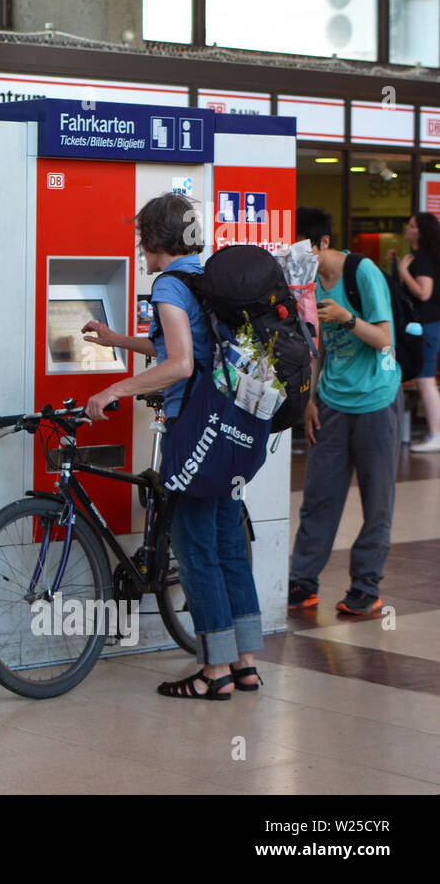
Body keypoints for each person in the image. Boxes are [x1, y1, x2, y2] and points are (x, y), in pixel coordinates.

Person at [82, 192, 260, 700]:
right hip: (228, 425)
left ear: (155, 238)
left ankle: (213, 673)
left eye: (142, 238)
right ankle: (244, 663)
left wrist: (114, 388)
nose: (140, 249)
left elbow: (180, 364)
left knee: (195, 546)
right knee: (227, 545)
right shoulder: (202, 278)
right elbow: (185, 349)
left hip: (194, 427)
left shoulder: (167, 284)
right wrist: (119, 340)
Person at [288, 206, 400, 616]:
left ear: (323, 243)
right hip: (332, 402)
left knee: (378, 499)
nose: (298, 258)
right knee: (319, 496)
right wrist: (310, 400)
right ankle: (302, 581)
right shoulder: (307, 282)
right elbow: (314, 347)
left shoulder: (362, 272)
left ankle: (366, 585)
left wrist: (346, 317)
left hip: (376, 399)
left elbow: (385, 339)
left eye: (304, 249)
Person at [394, 212, 440, 451]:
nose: (407, 228)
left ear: (420, 231)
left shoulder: (422, 259)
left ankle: (436, 433)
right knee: (424, 379)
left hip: (427, 326)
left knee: (425, 379)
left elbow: (424, 293)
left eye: (411, 225)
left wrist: (402, 271)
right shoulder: (422, 257)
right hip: (425, 326)